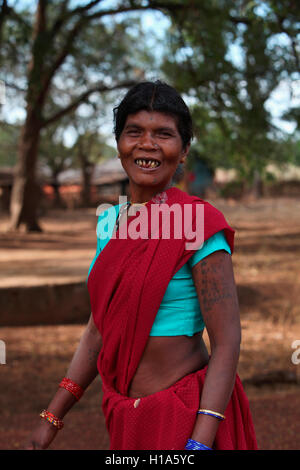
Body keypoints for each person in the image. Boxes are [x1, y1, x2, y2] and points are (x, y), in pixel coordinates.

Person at [25, 81, 257, 451]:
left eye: (163, 134)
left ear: (183, 151)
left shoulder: (198, 223)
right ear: (119, 145)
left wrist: (200, 441)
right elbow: (99, 329)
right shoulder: (109, 223)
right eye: (134, 132)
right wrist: (52, 418)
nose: (147, 144)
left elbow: (227, 341)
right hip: (125, 414)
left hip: (185, 412)